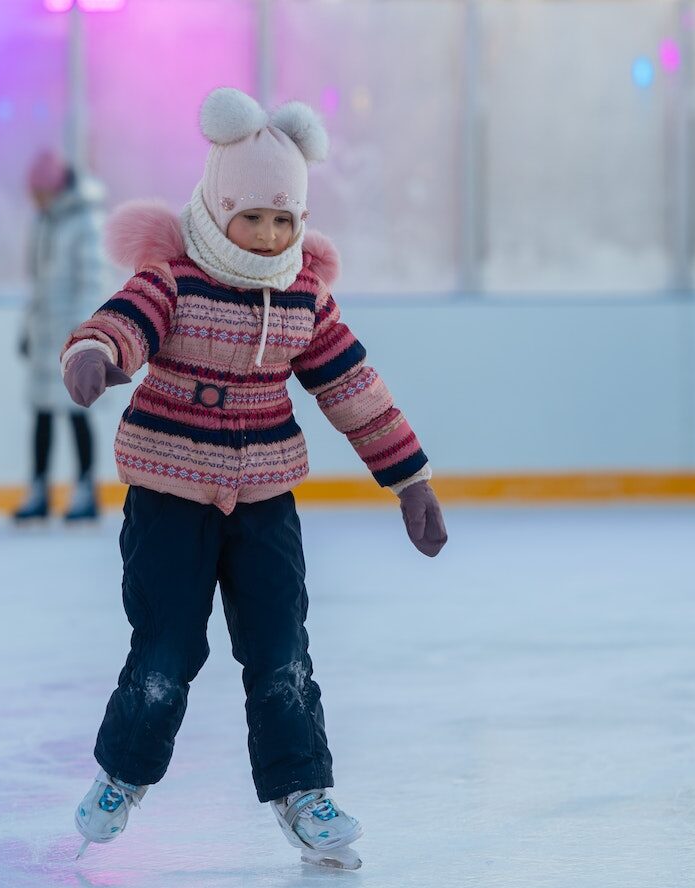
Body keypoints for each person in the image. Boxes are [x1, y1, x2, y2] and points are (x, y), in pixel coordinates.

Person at [60, 88, 447, 870]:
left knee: (281, 652)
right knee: (166, 650)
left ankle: (304, 793)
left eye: (285, 219)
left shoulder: (303, 295)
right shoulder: (175, 279)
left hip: (265, 500)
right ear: (217, 205)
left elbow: (353, 387)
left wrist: (409, 478)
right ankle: (121, 775)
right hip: (171, 494)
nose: (270, 234)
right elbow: (121, 321)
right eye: (254, 217)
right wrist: (96, 357)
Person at [12, 149, 110, 523]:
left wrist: (85, 335)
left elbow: (91, 283)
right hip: (44, 333)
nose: (33, 200)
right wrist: (28, 328)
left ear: (51, 188)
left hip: (71, 334)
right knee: (41, 411)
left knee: (75, 411)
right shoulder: (43, 223)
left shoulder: (84, 223)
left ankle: (86, 488)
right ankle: (38, 488)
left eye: (37, 192)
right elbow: (36, 283)